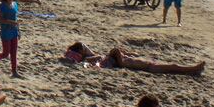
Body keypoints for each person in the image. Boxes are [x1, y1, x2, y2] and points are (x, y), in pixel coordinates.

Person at [63, 41, 204, 76]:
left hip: (138, 63)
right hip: (144, 66)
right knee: (171, 67)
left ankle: (192, 69)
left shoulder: (92, 57)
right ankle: (192, 69)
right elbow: (98, 61)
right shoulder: (94, 59)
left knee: (171, 67)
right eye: (84, 48)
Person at [0, 0, 25, 76]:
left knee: (14, 52)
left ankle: (14, 71)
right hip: (6, 31)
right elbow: (0, 19)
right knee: (6, 53)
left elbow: (16, 18)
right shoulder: (2, 6)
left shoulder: (15, 4)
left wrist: (18, 30)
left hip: (14, 31)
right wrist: (11, 22)